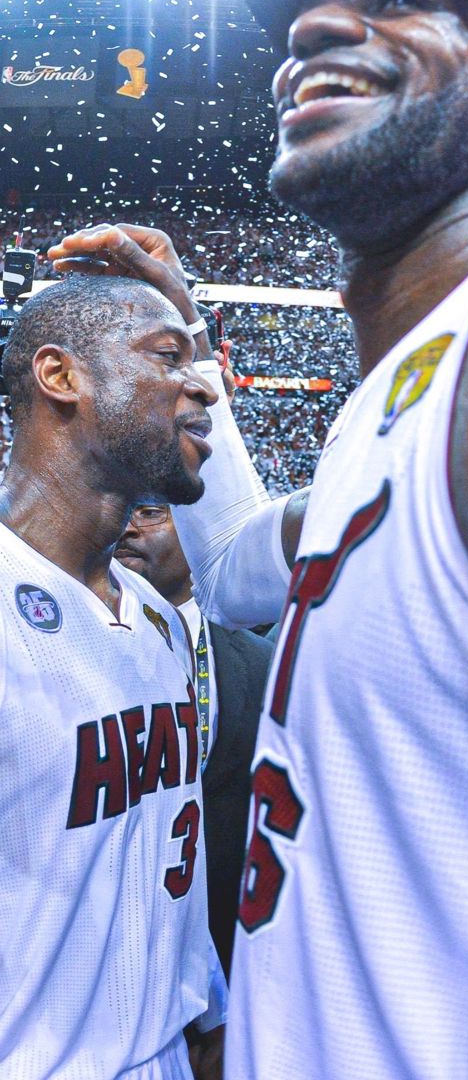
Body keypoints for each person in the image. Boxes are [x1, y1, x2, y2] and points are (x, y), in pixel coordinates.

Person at [49, 0, 468, 1074]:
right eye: (308, 14)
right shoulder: (411, 399)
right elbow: (229, 568)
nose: (315, 32)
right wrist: (188, 329)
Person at [0, 271, 228, 1080]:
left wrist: (208, 1022)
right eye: (168, 355)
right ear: (60, 376)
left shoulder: (159, 613)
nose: (200, 383)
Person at [114, 502, 274, 978]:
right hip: (107, 963)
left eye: (147, 512)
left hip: (230, 957)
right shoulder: (69, 645)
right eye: (123, 510)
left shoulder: (267, 664)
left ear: (200, 534)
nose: (127, 527)